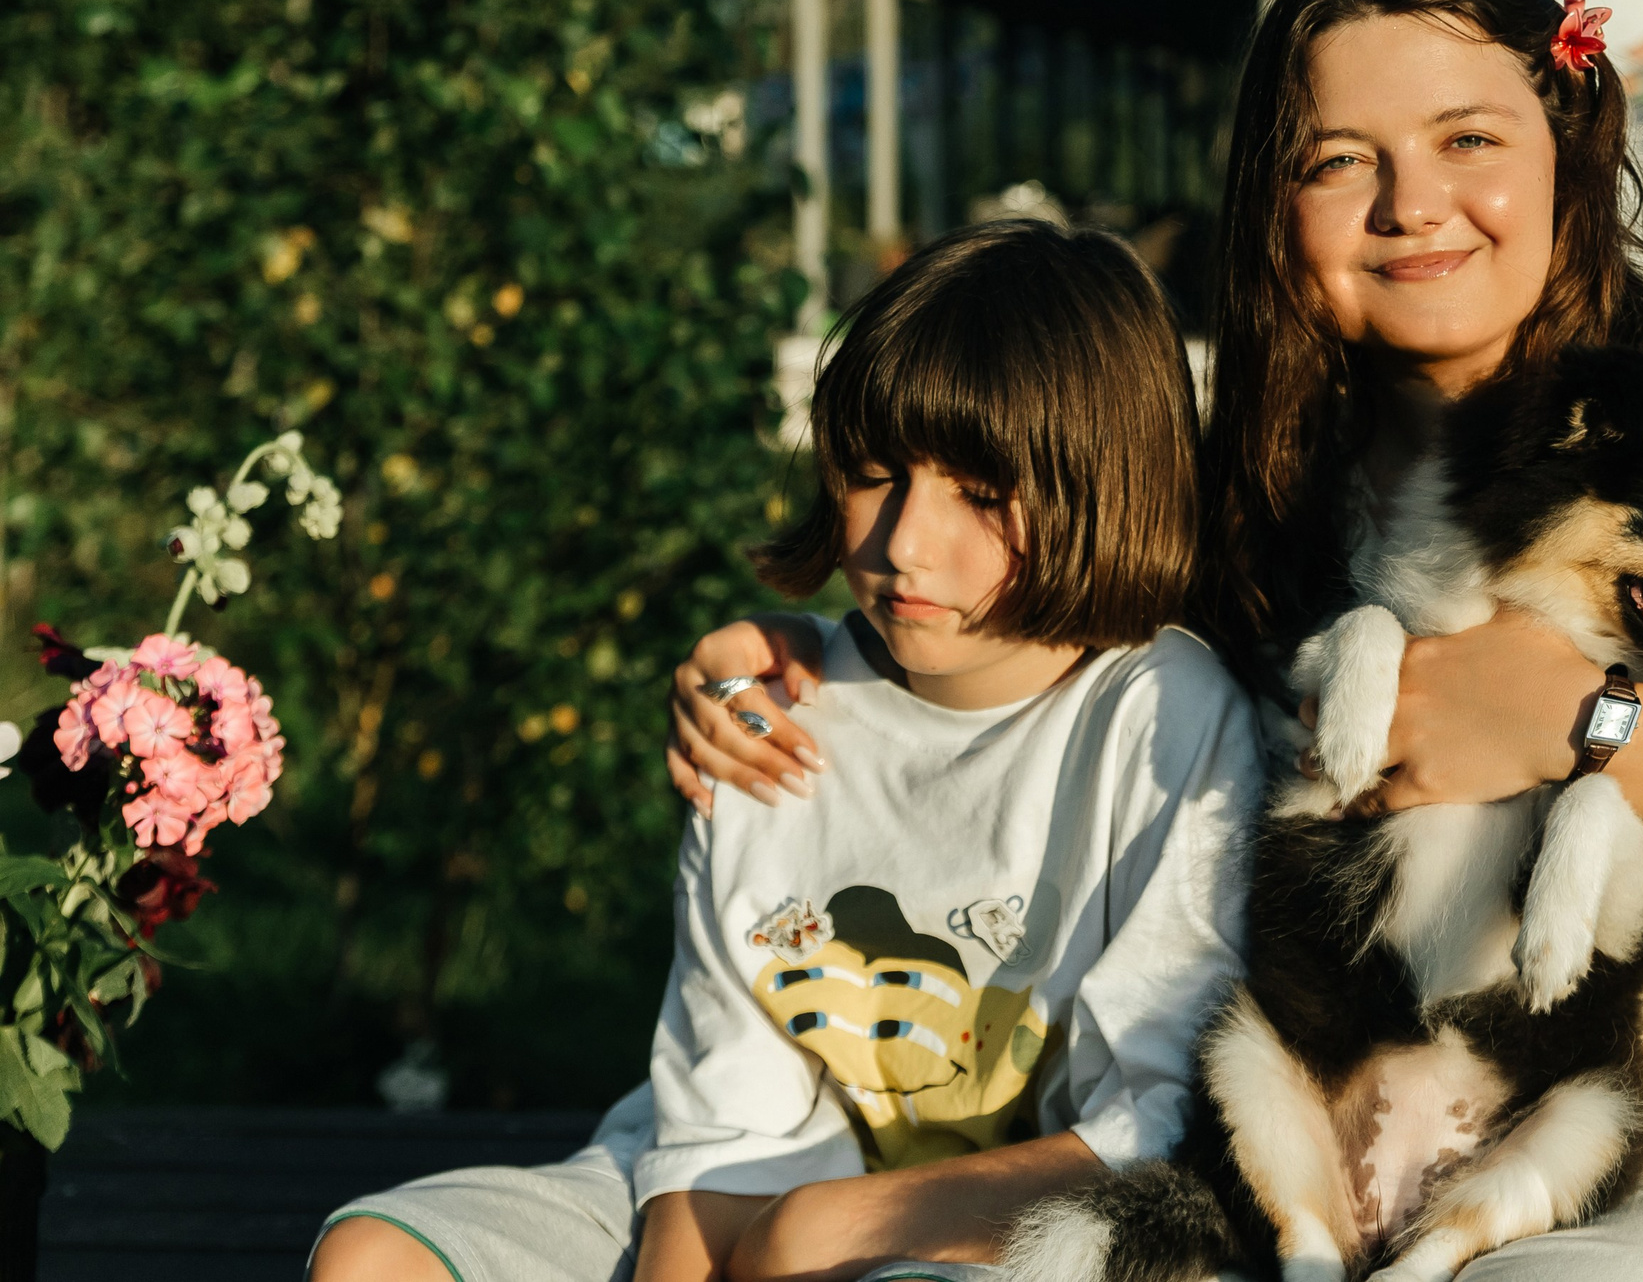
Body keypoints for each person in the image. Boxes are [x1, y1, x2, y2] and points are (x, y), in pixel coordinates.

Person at [676, 0, 1643, 1280]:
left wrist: (1593, 719)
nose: (1412, 204)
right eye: (1341, 161)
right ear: (1276, 205)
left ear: (1566, 146)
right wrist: (812, 661)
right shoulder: (1270, 489)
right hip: (1341, 1169)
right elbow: (1049, 656)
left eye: (1468, 139)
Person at [311, 221, 1261, 1282]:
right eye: (873, 474)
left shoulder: (1163, 722)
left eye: (982, 494)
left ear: (1110, 483)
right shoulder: (764, 709)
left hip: (1038, 1226)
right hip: (736, 1186)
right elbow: (720, 1127)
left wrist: (826, 1231)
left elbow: (1158, 1123)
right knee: (371, 1256)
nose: (903, 543)